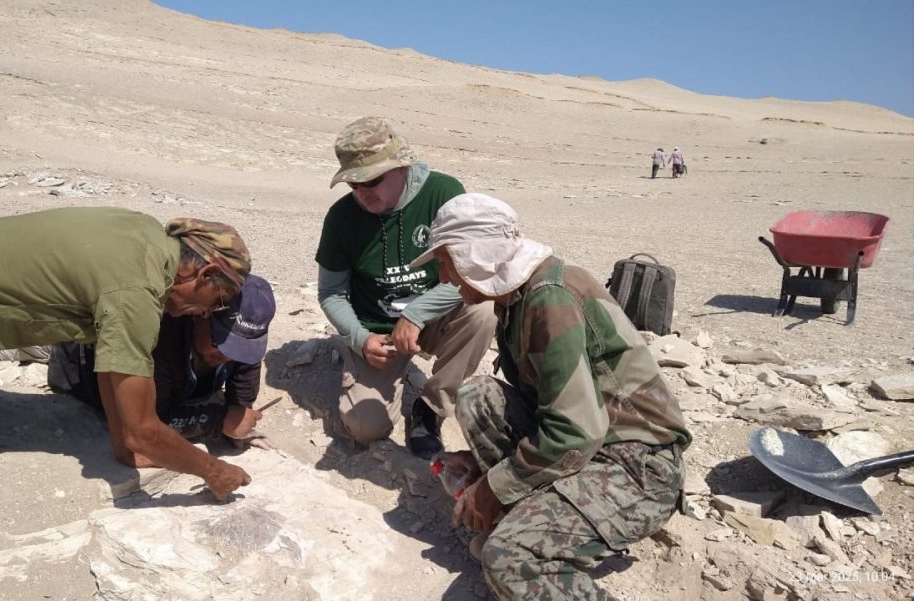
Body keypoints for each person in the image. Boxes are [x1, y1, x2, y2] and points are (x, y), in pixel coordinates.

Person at [0, 207, 254, 503]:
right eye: (217, 300)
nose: (206, 314)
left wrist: (125, 447)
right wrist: (212, 470)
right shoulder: (135, 291)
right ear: (204, 273)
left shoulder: (143, 235)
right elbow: (143, 430)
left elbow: (113, 372)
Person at [410, 193, 692, 600]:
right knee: (477, 396)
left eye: (446, 262)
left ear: (474, 256)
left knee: (508, 559)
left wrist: (492, 488)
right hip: (596, 445)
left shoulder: (550, 299)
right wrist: (484, 470)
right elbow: (554, 413)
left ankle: (528, 536)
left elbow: (574, 433)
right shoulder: (517, 299)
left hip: (638, 470)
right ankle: (530, 521)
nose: (444, 277)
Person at [315, 116, 496, 459]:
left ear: (401, 167)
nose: (363, 193)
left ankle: (430, 407)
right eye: (353, 184)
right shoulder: (341, 218)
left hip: (435, 318)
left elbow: (473, 274)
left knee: (483, 312)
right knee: (365, 428)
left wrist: (415, 315)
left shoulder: (443, 195)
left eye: (372, 180)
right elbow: (331, 293)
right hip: (378, 332)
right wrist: (360, 339)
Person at [48, 274, 277, 449]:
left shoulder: (239, 346)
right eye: (220, 343)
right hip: (78, 366)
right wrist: (219, 421)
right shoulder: (162, 336)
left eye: (240, 349)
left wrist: (239, 411)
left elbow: (247, 368)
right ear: (203, 314)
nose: (227, 356)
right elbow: (147, 422)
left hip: (175, 379)